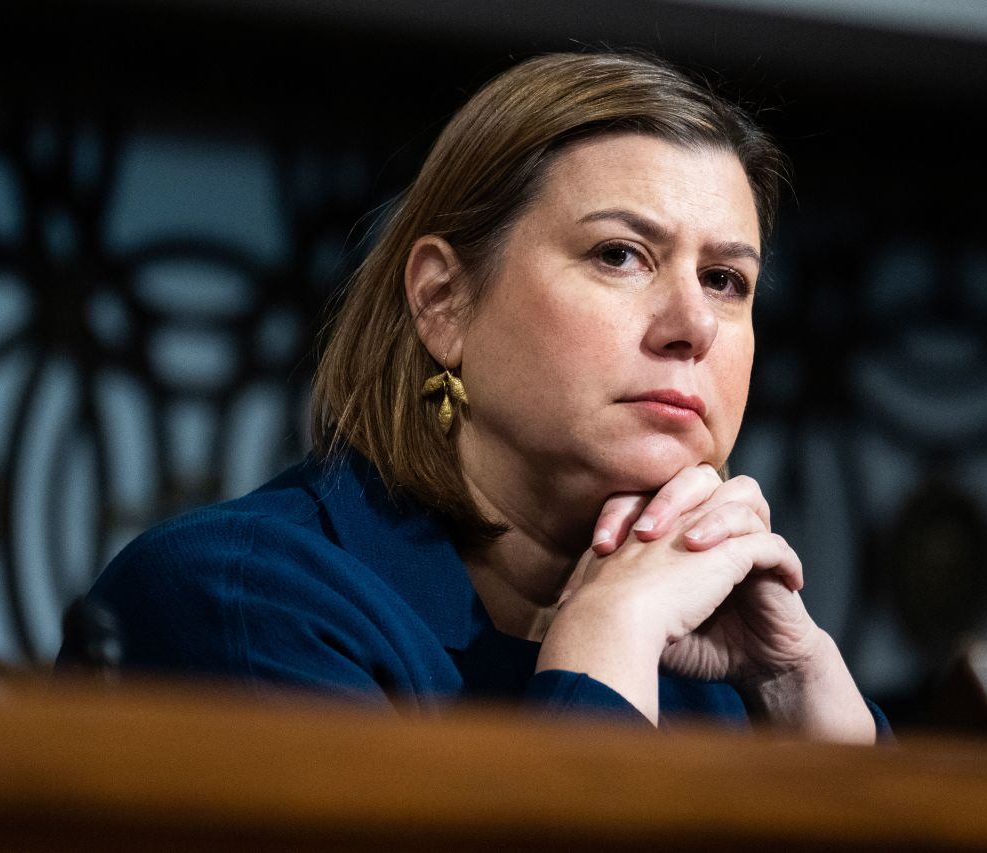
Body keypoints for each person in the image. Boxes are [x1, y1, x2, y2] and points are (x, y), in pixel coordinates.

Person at [57, 51, 887, 742]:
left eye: (725, 279)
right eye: (620, 254)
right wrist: (605, 643)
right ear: (443, 302)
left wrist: (800, 690)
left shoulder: (721, 667)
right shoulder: (237, 601)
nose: (692, 324)